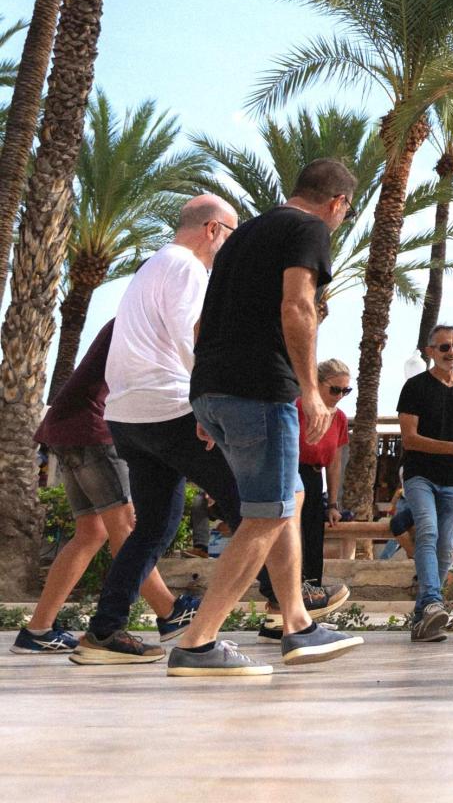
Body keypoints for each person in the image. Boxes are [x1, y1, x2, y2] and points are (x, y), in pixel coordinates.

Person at [70, 194, 313, 666]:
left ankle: (104, 631)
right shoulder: (187, 268)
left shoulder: (151, 267)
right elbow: (192, 335)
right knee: (260, 505)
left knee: (155, 527)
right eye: (232, 234)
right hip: (170, 407)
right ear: (213, 230)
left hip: (129, 415)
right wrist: (204, 403)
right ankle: (285, 605)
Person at [171, 160, 365, 676]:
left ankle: (297, 622)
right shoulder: (308, 228)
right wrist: (310, 390)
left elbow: (201, 322)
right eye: (346, 212)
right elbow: (297, 306)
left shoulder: (245, 232)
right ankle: (197, 642)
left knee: (288, 498)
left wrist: (207, 396)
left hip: (216, 389)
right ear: (338, 204)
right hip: (260, 391)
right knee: (269, 512)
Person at [12, 321, 196, 654]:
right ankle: (170, 612)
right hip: (91, 429)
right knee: (125, 529)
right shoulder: (140, 323)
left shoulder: (127, 320)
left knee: (91, 532)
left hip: (65, 428)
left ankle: (37, 629)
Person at [398, 324, 453, 643]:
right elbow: (409, 439)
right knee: (427, 530)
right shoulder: (415, 387)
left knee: (443, 545)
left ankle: (425, 617)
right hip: (420, 474)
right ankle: (434, 601)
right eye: (445, 347)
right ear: (430, 351)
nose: (452, 352)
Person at [256, 357, 353, 640]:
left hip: (313, 477)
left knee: (312, 545)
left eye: (346, 392)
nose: (339, 397)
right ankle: (280, 612)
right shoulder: (297, 407)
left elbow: (334, 460)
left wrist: (332, 502)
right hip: (290, 470)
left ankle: (309, 614)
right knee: (288, 542)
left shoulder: (339, 418)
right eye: (335, 390)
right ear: (317, 384)